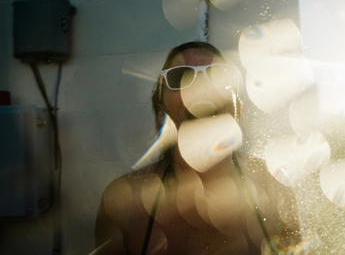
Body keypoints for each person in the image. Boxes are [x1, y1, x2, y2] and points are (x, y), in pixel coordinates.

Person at [95, 42, 300, 254]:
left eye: (218, 76)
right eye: (179, 77)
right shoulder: (124, 203)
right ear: (160, 113)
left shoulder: (273, 185)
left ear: (238, 110)